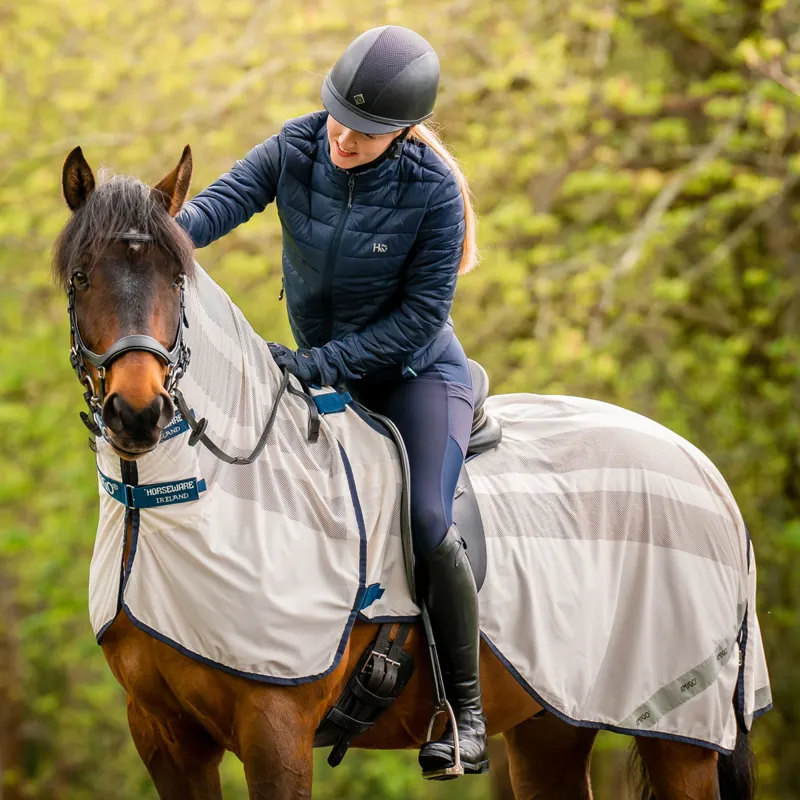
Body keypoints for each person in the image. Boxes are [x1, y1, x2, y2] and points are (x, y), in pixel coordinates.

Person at [175, 25, 487, 777]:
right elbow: (219, 204)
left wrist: (310, 364)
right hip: (320, 374)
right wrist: (145, 240)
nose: (344, 138)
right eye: (339, 117)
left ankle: (464, 711)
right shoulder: (299, 143)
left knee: (427, 520)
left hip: (414, 376)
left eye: (367, 131)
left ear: (404, 131)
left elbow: (416, 320)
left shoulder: (434, 190)